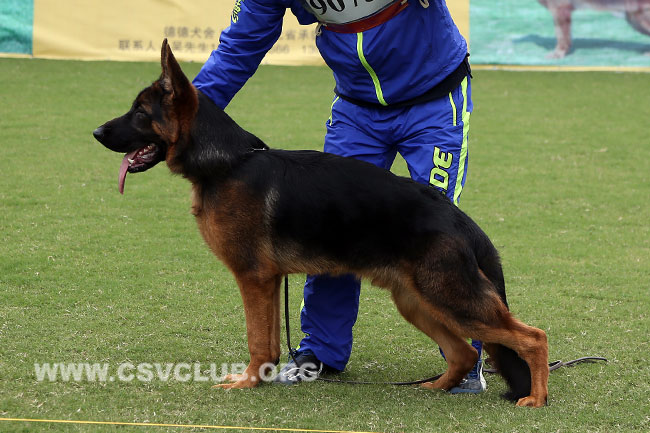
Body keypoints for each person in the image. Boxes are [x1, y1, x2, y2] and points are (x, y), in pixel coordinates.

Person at [193, 0, 485, 393]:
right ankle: (320, 352)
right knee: (326, 226)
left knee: (432, 231)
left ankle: (469, 357)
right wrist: (187, 117)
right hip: (356, 109)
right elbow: (241, 45)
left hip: (435, 98)